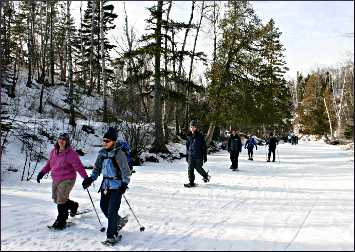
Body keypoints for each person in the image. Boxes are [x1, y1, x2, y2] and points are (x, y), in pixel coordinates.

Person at [82, 127, 131, 244]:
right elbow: (97, 169)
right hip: (105, 185)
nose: (104, 143)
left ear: (113, 142)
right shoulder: (102, 154)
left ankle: (112, 235)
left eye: (107, 141)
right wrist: (90, 179)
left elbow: (126, 170)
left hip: (117, 185)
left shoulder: (119, 154)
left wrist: (125, 183)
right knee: (104, 207)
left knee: (112, 210)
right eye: (103, 140)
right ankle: (118, 222)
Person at [37, 133, 89, 230]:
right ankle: (73, 206)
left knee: (61, 200)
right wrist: (41, 173)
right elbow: (49, 165)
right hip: (56, 178)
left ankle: (61, 220)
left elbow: (79, 167)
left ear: (67, 141)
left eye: (64, 139)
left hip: (68, 179)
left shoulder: (71, 154)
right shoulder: (54, 152)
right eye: (60, 139)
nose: (61, 141)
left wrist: (86, 178)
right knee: (57, 198)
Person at [184, 120, 210, 188]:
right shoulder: (188, 136)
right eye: (191, 127)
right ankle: (191, 182)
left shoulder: (200, 136)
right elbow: (187, 147)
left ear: (196, 128)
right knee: (190, 169)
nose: (192, 128)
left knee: (198, 168)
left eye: (193, 127)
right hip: (191, 156)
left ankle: (206, 176)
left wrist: (205, 156)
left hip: (198, 156)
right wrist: (187, 155)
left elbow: (204, 147)